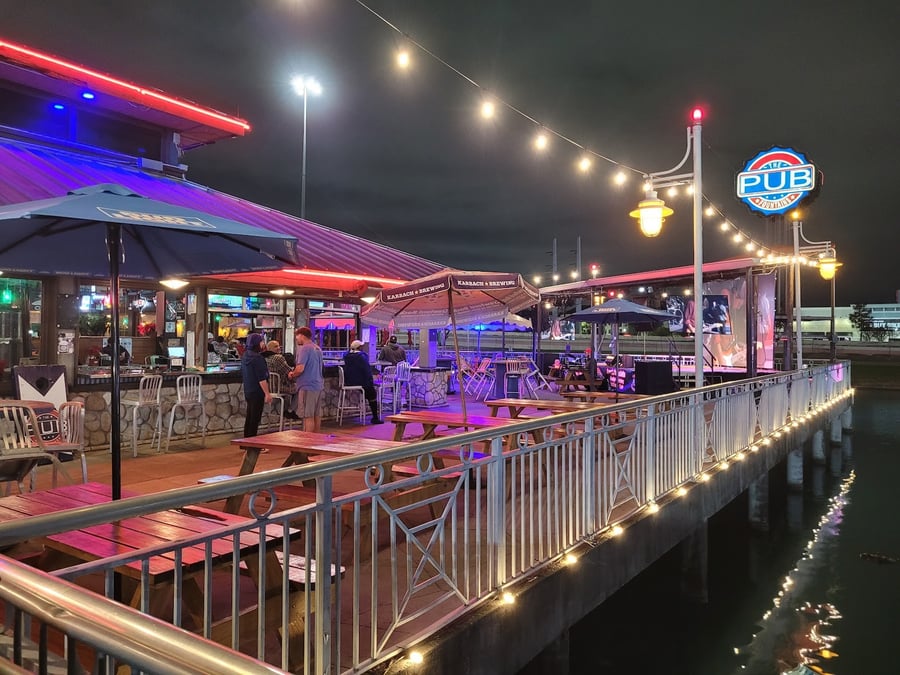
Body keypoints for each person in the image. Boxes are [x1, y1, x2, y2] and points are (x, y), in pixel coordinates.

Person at [289, 326, 324, 432]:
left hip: (307, 385)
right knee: (316, 415)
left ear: (301, 336)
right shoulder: (317, 348)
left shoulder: (304, 349)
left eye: (297, 337)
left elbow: (300, 369)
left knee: (307, 416)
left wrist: (292, 374)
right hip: (318, 385)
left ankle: (307, 443)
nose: (296, 340)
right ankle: (316, 440)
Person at [342, 340, 382, 424]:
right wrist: (371, 381)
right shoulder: (362, 357)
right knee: (372, 394)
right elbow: (366, 371)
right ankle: (375, 417)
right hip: (361, 382)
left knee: (368, 392)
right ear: (359, 348)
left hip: (349, 382)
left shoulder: (346, 356)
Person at [240, 332, 272, 438]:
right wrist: (267, 394)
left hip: (248, 390)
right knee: (255, 418)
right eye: (262, 341)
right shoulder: (258, 358)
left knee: (250, 416)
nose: (263, 344)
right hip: (257, 391)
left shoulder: (245, 356)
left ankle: (246, 442)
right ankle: (252, 445)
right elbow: (261, 378)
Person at [264, 339, 298, 420]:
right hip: (279, 387)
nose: (279, 348)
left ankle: (288, 409)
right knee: (300, 388)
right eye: (276, 346)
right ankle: (290, 411)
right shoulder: (278, 358)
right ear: (270, 348)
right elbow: (288, 370)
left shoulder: (265, 358)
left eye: (279, 346)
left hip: (270, 387)